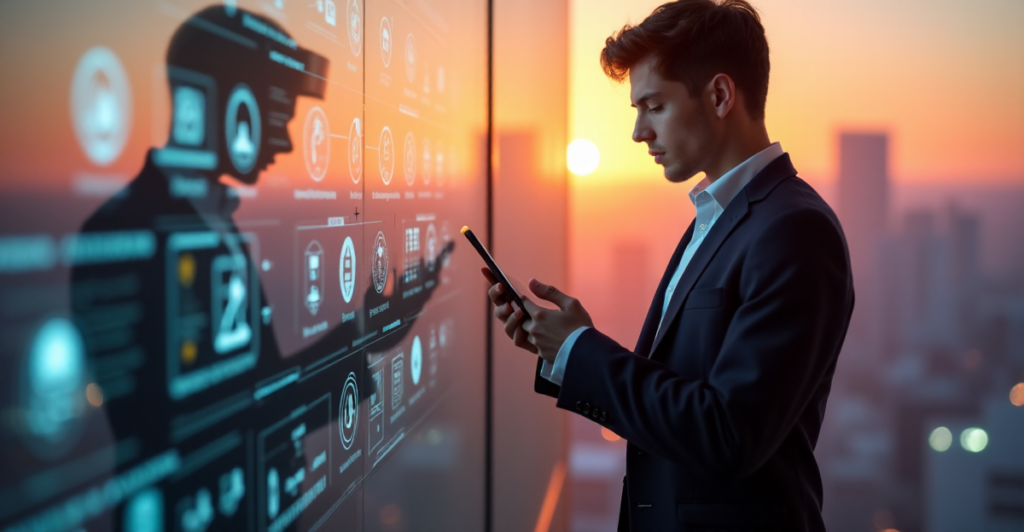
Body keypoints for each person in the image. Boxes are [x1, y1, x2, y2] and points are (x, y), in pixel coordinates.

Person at [483, 1, 854, 530]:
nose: (638, 132)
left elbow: (727, 434)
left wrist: (579, 350)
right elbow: (679, 394)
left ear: (720, 95)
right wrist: (563, 349)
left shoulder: (794, 231)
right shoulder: (718, 217)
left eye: (653, 106)